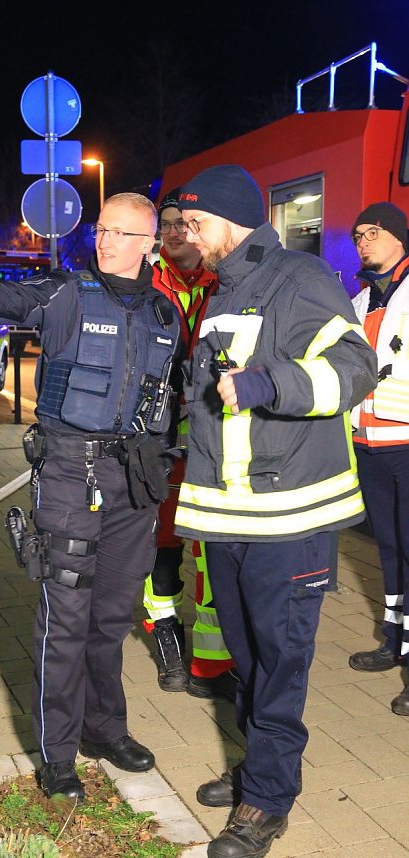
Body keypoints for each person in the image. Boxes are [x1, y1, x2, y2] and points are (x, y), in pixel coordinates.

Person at [0, 192, 181, 805]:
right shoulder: (65, 293)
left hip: (135, 485)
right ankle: (58, 755)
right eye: (102, 229)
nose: (103, 240)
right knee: (66, 620)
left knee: (112, 616)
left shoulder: (167, 315)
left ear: (148, 246)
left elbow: (173, 400)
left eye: (119, 233)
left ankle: (104, 730)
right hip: (69, 478)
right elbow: (7, 298)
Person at [173, 165, 377, 858]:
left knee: (280, 663)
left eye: (194, 223)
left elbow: (354, 369)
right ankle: (260, 767)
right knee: (250, 663)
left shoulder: (298, 279)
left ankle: (265, 802)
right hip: (232, 519)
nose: (186, 235)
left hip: (289, 522)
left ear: (231, 220)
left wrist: (267, 383)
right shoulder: (224, 289)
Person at [143, 188, 239, 700]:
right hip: (154, 441)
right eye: (169, 225)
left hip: (208, 439)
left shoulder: (223, 282)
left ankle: (211, 662)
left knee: (209, 551)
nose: (178, 231)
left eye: (186, 223)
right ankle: (167, 642)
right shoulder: (142, 283)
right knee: (161, 549)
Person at [347, 202, 409, 716]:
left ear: (399, 237)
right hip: (369, 444)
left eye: (373, 232)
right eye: (358, 234)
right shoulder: (360, 299)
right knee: (388, 550)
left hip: (408, 443)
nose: (363, 241)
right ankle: (393, 638)